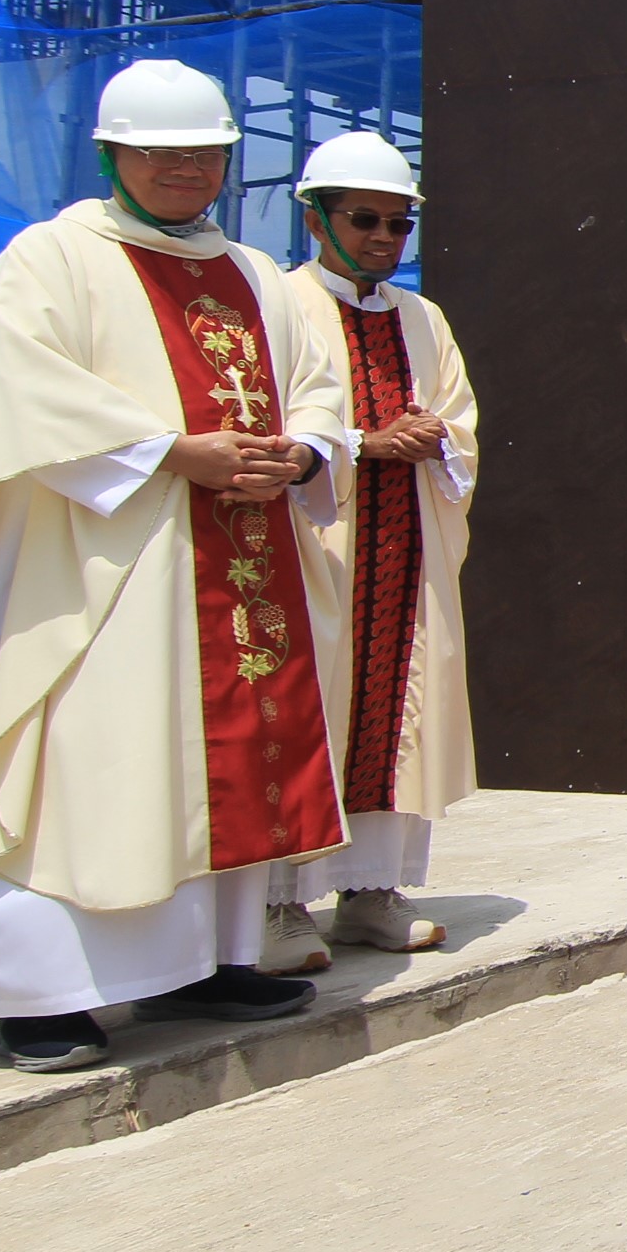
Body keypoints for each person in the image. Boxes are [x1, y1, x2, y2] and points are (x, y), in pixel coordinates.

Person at [0, 60, 349, 1070]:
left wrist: (299, 454)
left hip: (238, 563)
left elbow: (318, 387)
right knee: (90, 763)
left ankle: (212, 964)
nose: (183, 169)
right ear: (111, 154)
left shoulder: (258, 276)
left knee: (228, 752)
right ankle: (46, 995)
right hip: (101, 565)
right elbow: (18, 384)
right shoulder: (53, 258)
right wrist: (175, 453)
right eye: (157, 152)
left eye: (204, 153)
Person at [261, 133, 477, 973]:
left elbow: (460, 420)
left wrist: (437, 440)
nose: (384, 238)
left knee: (398, 717)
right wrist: (363, 441)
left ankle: (372, 893)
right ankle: (280, 901)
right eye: (364, 219)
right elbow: (274, 427)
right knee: (311, 711)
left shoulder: (423, 319)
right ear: (315, 218)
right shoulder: (279, 307)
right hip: (316, 551)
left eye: (399, 223)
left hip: (404, 550)